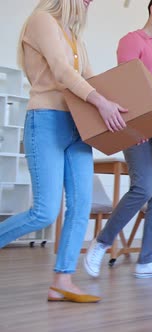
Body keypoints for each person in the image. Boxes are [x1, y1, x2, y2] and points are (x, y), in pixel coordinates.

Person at [0, 0, 128, 303]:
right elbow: (61, 71)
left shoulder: (74, 36)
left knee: (81, 206)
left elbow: (91, 80)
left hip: (78, 126)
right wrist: (100, 102)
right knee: (44, 211)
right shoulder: (42, 20)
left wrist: (127, 123)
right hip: (46, 121)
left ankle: (62, 280)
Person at [84, 0, 152, 279]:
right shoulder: (132, 41)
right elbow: (129, 84)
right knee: (143, 188)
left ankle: (147, 260)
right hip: (136, 127)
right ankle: (102, 242)